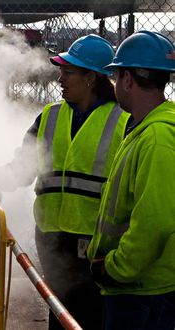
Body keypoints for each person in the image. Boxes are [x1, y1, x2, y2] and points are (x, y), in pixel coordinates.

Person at [0, 34, 132, 329]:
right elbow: (23, 165)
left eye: (68, 72)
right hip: (53, 238)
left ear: (91, 77)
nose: (60, 79)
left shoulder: (124, 121)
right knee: (60, 312)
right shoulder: (50, 116)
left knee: (93, 316)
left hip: (98, 243)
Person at [87, 30, 175, 330]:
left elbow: (156, 221)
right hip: (140, 288)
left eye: (116, 77)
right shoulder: (144, 128)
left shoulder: (157, 137)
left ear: (126, 79)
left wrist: (116, 268)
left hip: (143, 291)